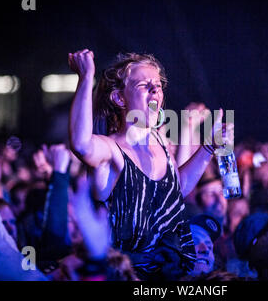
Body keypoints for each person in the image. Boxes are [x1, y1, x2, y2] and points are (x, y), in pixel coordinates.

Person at [68, 49, 231, 280]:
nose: (155, 90)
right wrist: (86, 78)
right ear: (119, 98)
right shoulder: (112, 150)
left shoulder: (160, 142)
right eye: (144, 85)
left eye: (158, 85)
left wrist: (208, 148)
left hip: (173, 276)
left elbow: (178, 188)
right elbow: (81, 144)